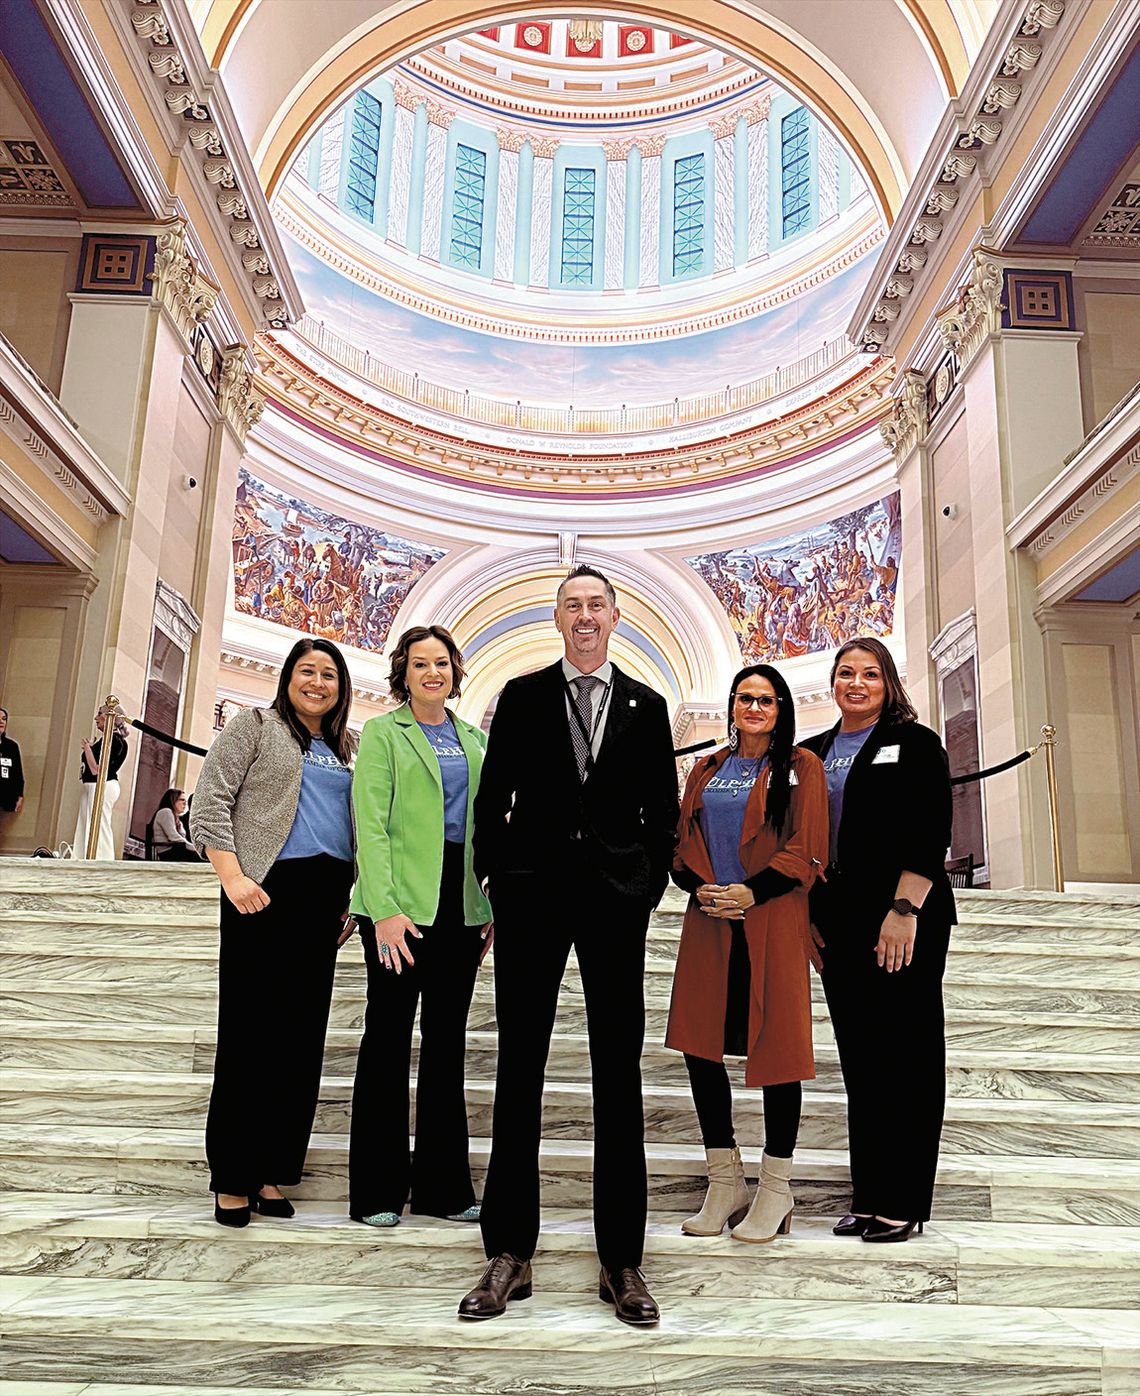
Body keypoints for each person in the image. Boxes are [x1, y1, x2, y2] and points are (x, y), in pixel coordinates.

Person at [458, 564, 679, 1327]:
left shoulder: (648, 707)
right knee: (519, 1066)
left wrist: (644, 885)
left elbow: (664, 809)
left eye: (596, 606)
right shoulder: (519, 698)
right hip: (535, 896)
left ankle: (622, 1259)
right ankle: (508, 1253)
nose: (585, 617)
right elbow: (493, 802)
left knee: (618, 1073)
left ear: (617, 617)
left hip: (617, 902)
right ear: (557, 619)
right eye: (572, 606)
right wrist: (501, 877)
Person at [190, 638, 356, 1229]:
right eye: (307, 671)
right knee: (249, 1038)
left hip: (325, 900)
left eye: (329, 674)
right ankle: (232, 1177)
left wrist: (355, 903)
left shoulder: (348, 745)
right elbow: (208, 801)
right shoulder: (254, 726)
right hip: (261, 892)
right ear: (287, 676)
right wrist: (232, 876)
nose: (318, 682)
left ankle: (269, 1170)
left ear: (342, 686)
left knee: (298, 1042)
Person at [665, 664, 827, 1242]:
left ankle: (776, 1190)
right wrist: (697, 886)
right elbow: (681, 841)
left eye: (765, 699)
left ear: (781, 708)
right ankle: (724, 1179)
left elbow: (807, 847)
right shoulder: (707, 768)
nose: (753, 708)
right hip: (710, 918)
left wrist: (752, 892)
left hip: (771, 918)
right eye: (743, 698)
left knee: (779, 1048)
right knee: (699, 1044)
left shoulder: (802, 766)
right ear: (732, 706)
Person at [802, 636, 955, 1243]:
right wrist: (809, 918)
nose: (856, 684)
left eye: (869, 673)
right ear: (832, 682)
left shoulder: (915, 744)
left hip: (903, 917)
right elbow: (802, 842)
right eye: (845, 673)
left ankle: (905, 1200)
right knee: (862, 1061)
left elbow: (930, 827)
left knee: (908, 1056)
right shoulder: (810, 753)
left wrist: (903, 907)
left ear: (888, 683)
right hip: (836, 922)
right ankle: (869, 1195)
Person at [348, 625, 493, 1227]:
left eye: (442, 664)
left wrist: (488, 906)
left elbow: (489, 826)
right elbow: (371, 825)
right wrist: (382, 908)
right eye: (419, 664)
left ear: (455, 673)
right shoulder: (383, 733)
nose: (432, 673)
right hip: (398, 907)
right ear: (402, 674)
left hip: (460, 904)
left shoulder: (476, 739)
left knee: (446, 1045)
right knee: (386, 1041)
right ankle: (377, 1192)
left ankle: (442, 1188)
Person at [72, 706, 129, 859]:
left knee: (98, 824)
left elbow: (97, 770)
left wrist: (87, 749)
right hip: (93, 786)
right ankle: (82, 857)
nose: (96, 718)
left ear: (110, 718)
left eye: (99, 714)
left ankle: (102, 859)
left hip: (102, 785)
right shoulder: (107, 740)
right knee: (86, 824)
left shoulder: (115, 741)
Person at [148, 788, 203, 862]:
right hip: (169, 853)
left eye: (185, 801)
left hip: (177, 851)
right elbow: (174, 837)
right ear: (173, 800)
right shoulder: (165, 812)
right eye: (182, 800)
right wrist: (195, 848)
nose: (185, 803)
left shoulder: (176, 817)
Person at [0, 707, 25, 843]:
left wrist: (19, 795)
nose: (1, 722)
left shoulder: (11, 746)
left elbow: (17, 772)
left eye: (4, 719)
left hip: (4, 795)